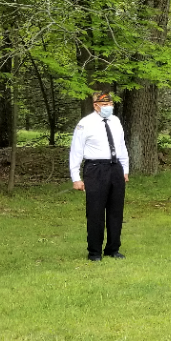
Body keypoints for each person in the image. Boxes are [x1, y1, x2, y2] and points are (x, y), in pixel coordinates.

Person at [69, 91, 130, 261]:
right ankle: (94, 251)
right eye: (104, 105)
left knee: (116, 210)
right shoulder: (85, 124)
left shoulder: (116, 122)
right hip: (95, 168)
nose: (108, 107)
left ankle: (113, 248)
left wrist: (124, 169)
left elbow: (121, 146)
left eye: (110, 105)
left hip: (115, 167)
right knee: (95, 211)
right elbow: (76, 150)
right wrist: (76, 177)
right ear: (95, 105)